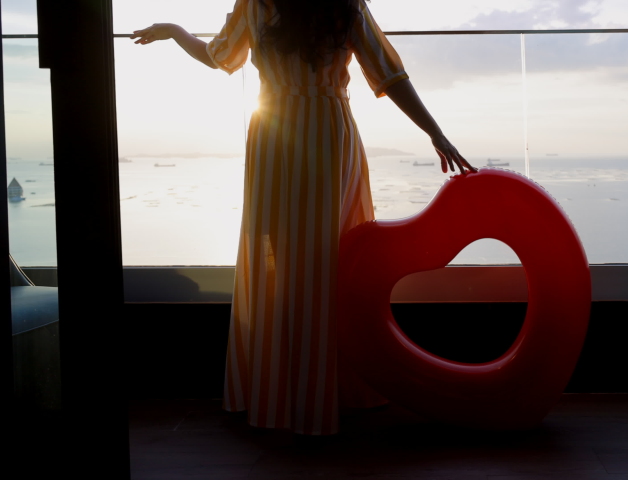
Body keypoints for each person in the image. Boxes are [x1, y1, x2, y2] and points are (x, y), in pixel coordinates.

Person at [131, 0, 475, 435]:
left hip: (274, 134)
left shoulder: (255, 3)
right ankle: (331, 387)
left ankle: (277, 390)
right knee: (333, 257)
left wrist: (174, 30)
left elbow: (218, 57)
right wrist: (436, 133)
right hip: (329, 131)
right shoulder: (345, 4)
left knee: (275, 257)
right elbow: (390, 75)